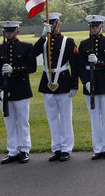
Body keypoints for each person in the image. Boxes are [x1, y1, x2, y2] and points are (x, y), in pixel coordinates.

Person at [32, 13, 79, 162]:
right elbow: (32, 53)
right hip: (47, 82)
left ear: (58, 24)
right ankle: (57, 147)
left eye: (52, 24)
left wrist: (74, 85)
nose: (50, 26)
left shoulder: (68, 41)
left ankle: (66, 148)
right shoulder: (44, 41)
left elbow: (75, 65)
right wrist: (42, 36)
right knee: (52, 117)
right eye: (47, 24)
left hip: (63, 81)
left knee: (65, 117)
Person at [0, 21, 37, 164]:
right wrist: (0, 89)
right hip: (6, 91)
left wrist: (14, 70)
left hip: (21, 89)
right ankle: (12, 151)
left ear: (18, 31)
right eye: (7, 31)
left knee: (23, 121)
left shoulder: (26, 47)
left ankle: (24, 149)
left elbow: (32, 68)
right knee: (9, 122)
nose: (9, 34)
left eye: (11, 31)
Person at [78, 15, 105, 160]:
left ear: (102, 26)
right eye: (92, 26)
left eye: (96, 26)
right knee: (94, 118)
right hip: (91, 86)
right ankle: (98, 148)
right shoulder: (84, 44)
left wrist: (99, 61)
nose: (94, 29)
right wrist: (86, 82)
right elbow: (80, 67)